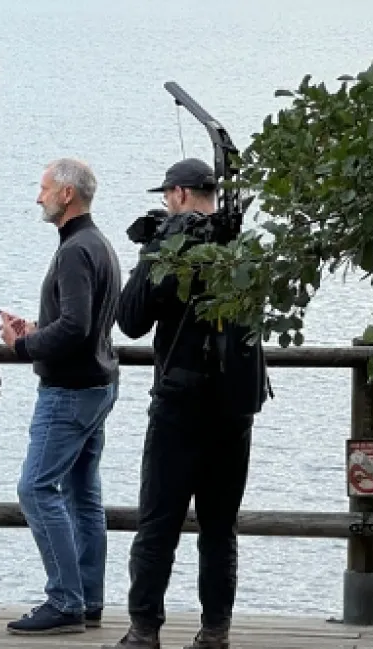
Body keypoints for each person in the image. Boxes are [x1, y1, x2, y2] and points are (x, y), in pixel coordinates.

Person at [105, 158, 270, 649]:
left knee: (157, 524)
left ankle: (143, 631)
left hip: (180, 406)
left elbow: (130, 319)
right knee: (219, 529)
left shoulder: (173, 250)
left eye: (166, 197)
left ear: (178, 194)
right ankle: (215, 632)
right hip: (235, 409)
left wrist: (158, 245)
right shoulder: (243, 247)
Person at [0, 158, 122, 635]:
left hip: (69, 392)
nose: (39, 197)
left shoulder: (74, 251)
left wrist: (23, 345)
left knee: (35, 488)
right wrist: (37, 328)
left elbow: (76, 326)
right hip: (98, 385)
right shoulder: (99, 244)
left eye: (45, 188)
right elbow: (80, 322)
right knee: (82, 493)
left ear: (67, 194)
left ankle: (66, 600)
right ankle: (88, 597)